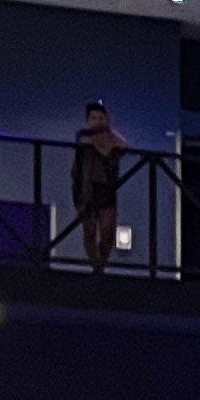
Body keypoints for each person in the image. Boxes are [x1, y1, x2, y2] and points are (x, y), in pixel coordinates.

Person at [70, 102, 128, 272]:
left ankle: (101, 264)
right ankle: (95, 265)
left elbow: (124, 145)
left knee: (107, 232)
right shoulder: (83, 135)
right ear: (88, 120)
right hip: (86, 189)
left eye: (101, 118)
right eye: (93, 118)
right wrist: (105, 143)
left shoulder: (111, 136)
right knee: (89, 231)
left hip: (107, 188)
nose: (97, 121)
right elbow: (86, 142)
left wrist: (109, 132)